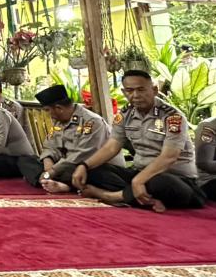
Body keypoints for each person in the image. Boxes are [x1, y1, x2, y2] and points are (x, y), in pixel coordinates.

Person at [70, 69, 203, 211]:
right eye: (129, 91)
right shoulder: (125, 114)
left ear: (154, 90)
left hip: (177, 179)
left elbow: (169, 157)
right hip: (139, 173)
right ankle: (139, 196)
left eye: (141, 90)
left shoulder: (172, 117)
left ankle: (111, 196)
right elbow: (111, 147)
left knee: (159, 182)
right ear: (124, 92)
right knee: (92, 171)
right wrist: (84, 165)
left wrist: (139, 180)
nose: (135, 95)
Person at [27, 84, 118, 192]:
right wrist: (48, 163)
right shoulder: (59, 122)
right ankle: (51, 181)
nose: (47, 114)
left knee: (82, 171)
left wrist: (52, 172)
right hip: (64, 166)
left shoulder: (92, 121)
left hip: (91, 167)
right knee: (26, 160)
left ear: (59, 108)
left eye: (47, 110)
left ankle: (64, 185)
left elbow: (82, 155)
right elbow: (50, 145)